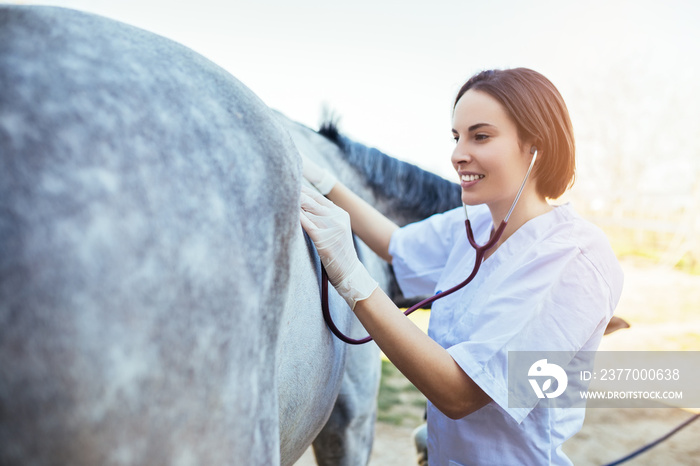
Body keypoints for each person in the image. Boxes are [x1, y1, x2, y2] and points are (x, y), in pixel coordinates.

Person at [299, 68, 623, 465]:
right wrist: (321, 179)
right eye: (456, 137)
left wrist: (351, 276)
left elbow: (460, 393)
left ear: (535, 146)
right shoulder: (474, 224)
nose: (457, 154)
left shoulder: (575, 259)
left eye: (480, 136)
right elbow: (395, 245)